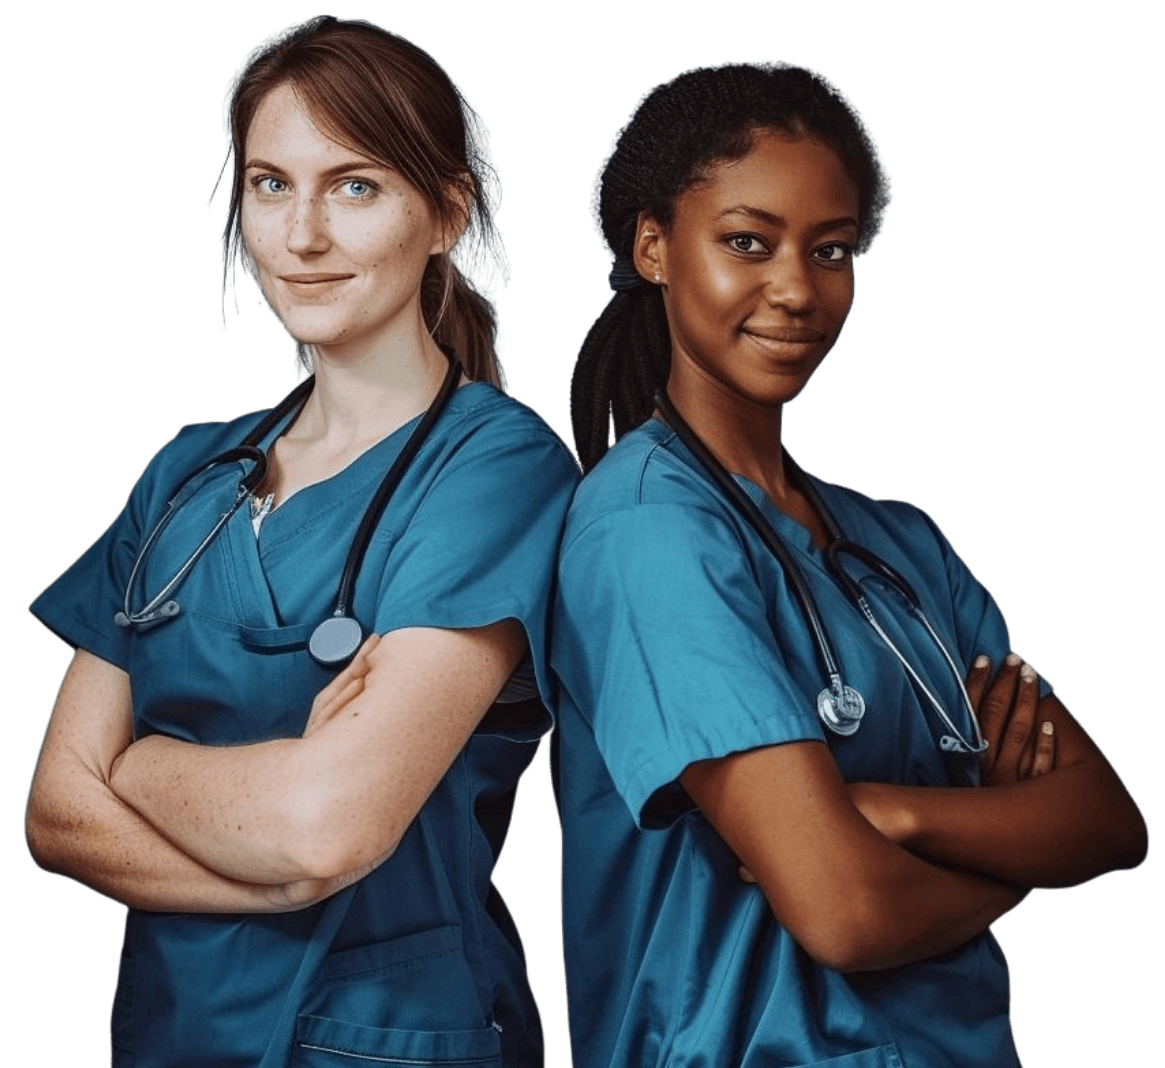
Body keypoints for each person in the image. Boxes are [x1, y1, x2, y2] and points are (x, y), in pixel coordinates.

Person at [550, 60, 1148, 1068]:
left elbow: (1107, 819)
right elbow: (846, 913)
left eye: (830, 250)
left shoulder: (899, 542)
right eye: (748, 242)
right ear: (652, 246)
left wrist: (895, 811)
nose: (795, 289)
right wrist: (1011, 858)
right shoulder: (647, 530)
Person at [25, 15, 577, 1067]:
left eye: (355, 186)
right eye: (271, 184)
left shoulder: (497, 472)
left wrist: (136, 765)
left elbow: (326, 826)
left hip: (383, 1041)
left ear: (446, 214)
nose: (301, 235)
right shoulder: (186, 471)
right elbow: (56, 815)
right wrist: (281, 869)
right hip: (172, 1037)